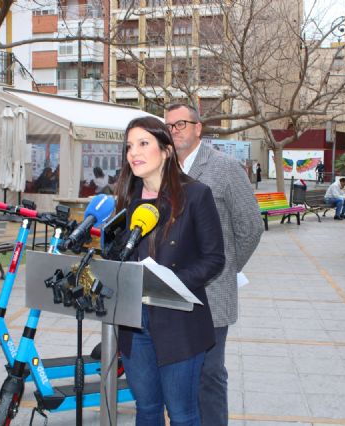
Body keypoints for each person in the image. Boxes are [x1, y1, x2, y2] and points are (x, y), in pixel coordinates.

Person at [115, 116, 226, 426]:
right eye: (129, 147)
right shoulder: (127, 197)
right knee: (146, 409)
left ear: (165, 150)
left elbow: (214, 258)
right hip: (134, 322)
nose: (133, 153)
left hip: (179, 321)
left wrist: (168, 283)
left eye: (142, 143)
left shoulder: (196, 195)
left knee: (181, 413)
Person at [165, 104, 264, 426]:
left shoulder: (225, 168)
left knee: (209, 372)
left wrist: (225, 268)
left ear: (198, 128)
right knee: (177, 371)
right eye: (168, 126)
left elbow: (250, 227)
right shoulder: (162, 170)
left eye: (180, 124)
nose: (174, 130)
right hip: (170, 288)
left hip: (212, 291)